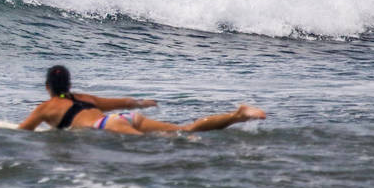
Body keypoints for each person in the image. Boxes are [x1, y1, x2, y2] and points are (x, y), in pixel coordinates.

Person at [18, 65, 266, 134]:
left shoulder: (45, 108)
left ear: (47, 87)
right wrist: (141, 103)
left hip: (108, 127)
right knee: (183, 130)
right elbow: (122, 102)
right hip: (125, 118)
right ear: (69, 86)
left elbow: (22, 132)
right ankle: (237, 115)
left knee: (161, 148)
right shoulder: (83, 97)